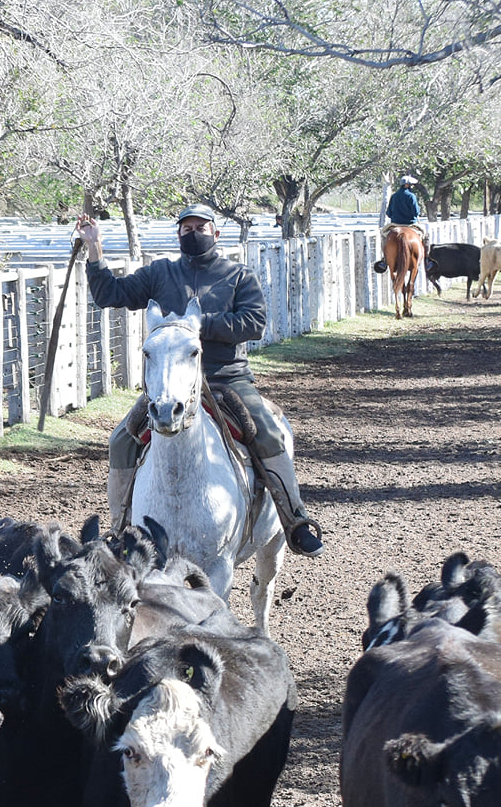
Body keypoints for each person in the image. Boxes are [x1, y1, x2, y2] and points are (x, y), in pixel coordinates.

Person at [74, 204, 325, 557]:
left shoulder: (238, 276)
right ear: (178, 234)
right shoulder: (159, 273)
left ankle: (295, 520)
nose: (194, 233)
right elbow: (109, 294)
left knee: (270, 433)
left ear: (216, 234)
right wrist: (94, 246)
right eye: (187, 228)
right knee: (120, 440)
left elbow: (254, 322)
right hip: (171, 384)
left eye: (201, 228)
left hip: (226, 379)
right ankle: (119, 530)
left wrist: (198, 325)